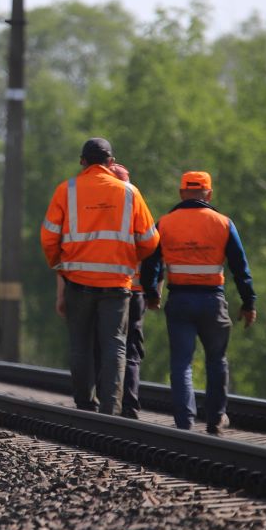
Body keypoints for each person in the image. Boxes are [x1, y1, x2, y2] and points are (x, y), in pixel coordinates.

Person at [41, 138, 159, 416]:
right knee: (115, 344)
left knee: (80, 344)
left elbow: (48, 237)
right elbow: (150, 240)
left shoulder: (66, 191)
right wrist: (130, 257)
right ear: (110, 162)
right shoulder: (130, 193)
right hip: (117, 284)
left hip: (78, 281)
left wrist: (59, 263)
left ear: (82, 162)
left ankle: (84, 404)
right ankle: (111, 407)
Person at [141, 171, 258, 434]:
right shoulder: (223, 223)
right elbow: (241, 268)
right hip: (212, 302)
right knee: (217, 360)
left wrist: (151, 293)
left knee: (181, 363)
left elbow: (150, 263)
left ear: (182, 193)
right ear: (209, 194)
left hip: (180, 300)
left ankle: (184, 422)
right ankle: (216, 419)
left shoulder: (165, 223)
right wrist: (248, 302)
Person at [110, 163, 148, 418]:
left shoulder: (101, 212)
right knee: (131, 350)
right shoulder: (136, 205)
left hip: (111, 288)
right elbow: (152, 245)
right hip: (135, 291)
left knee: (108, 346)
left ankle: (108, 402)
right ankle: (130, 405)